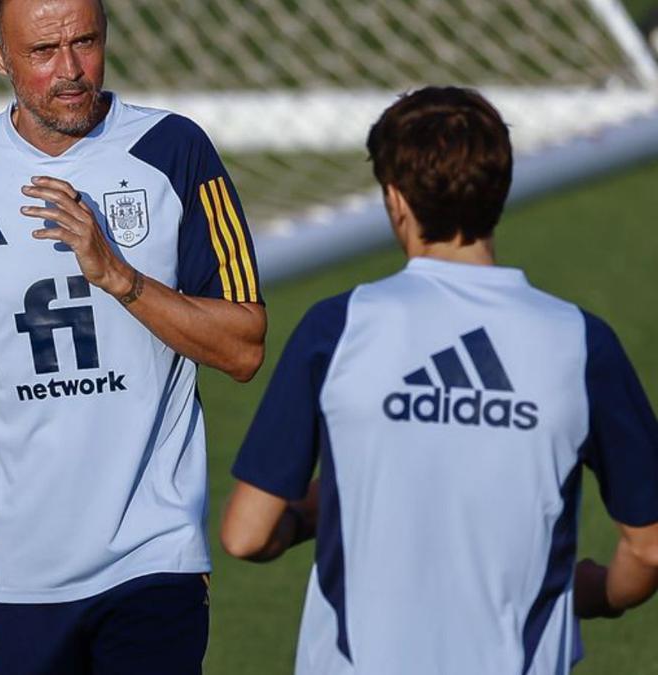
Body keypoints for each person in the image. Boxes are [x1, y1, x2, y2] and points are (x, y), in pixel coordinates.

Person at [0, 0, 267, 672]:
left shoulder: (174, 151)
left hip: (153, 557)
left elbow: (245, 346)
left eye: (85, 42)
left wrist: (119, 276)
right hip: (14, 571)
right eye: (43, 52)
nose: (71, 69)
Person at [220, 86, 658, 674]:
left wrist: (316, 512)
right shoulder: (579, 342)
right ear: (499, 191)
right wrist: (599, 594)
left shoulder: (339, 327)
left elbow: (247, 534)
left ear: (396, 200)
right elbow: (649, 546)